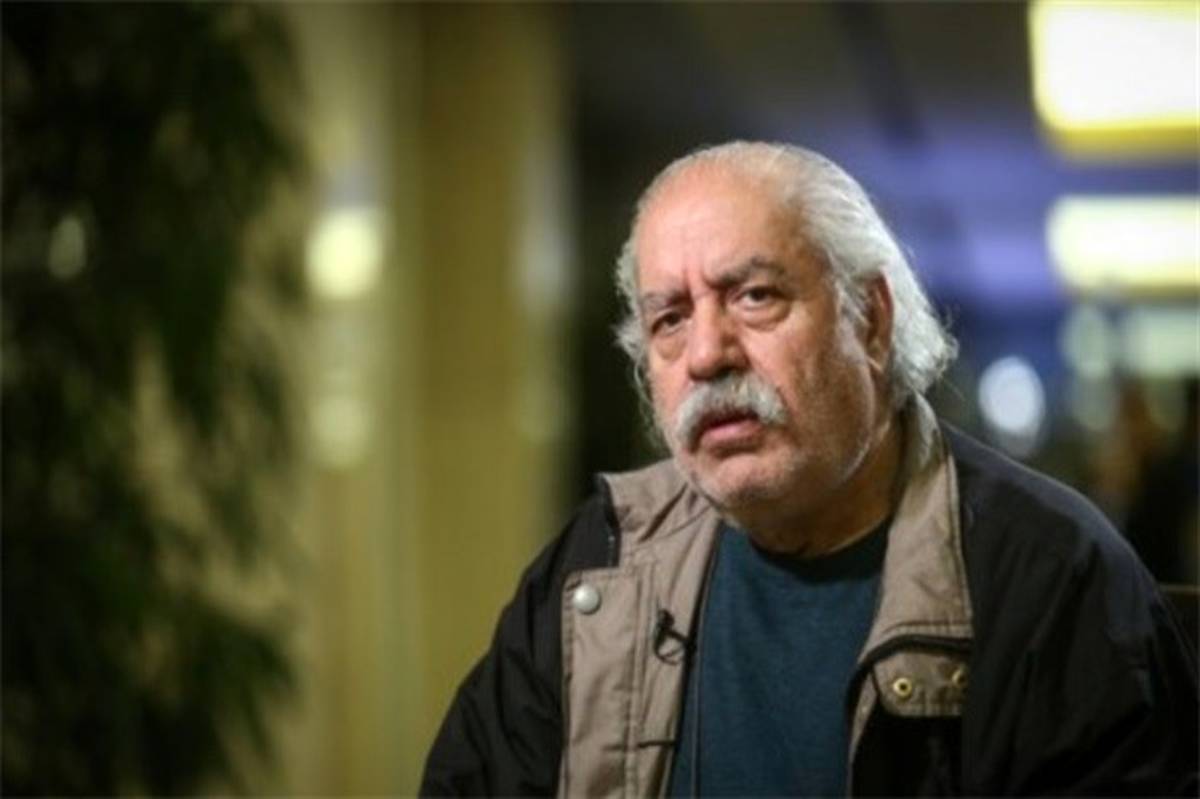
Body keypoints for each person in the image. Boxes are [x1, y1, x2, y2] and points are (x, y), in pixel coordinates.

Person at [421, 142, 1199, 796]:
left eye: (755, 296)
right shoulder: (602, 561)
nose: (706, 354)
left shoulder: (1054, 576)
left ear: (872, 320)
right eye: (670, 318)